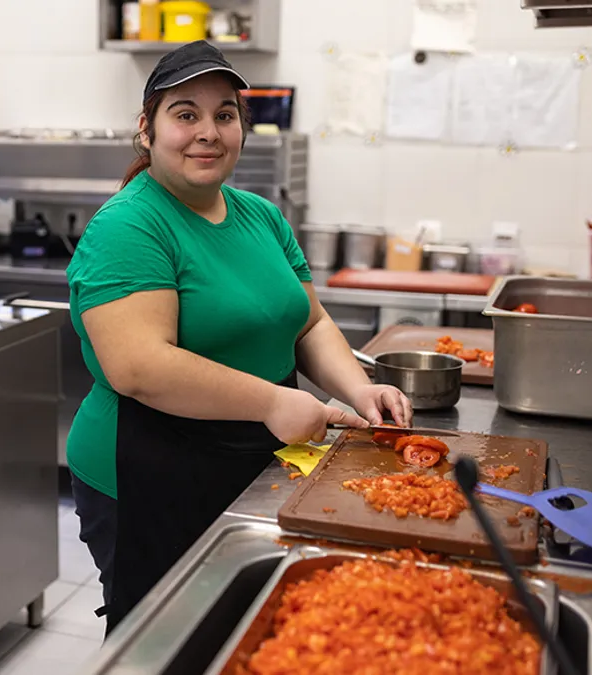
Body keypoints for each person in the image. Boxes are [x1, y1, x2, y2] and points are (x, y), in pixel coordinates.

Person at [65, 40, 414, 635]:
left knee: (251, 628)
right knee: (168, 636)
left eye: (225, 114)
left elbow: (309, 322)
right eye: (186, 114)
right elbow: (139, 367)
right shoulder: (129, 224)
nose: (208, 131)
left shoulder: (260, 215)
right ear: (146, 130)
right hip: (152, 469)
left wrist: (360, 389)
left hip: (257, 458)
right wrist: (275, 401)